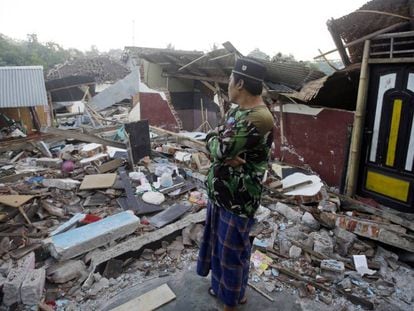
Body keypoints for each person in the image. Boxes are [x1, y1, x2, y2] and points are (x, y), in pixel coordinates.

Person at [197, 57, 274, 311]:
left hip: (239, 198)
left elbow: (220, 146)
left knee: (232, 254)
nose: (227, 86)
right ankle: (225, 291)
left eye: (229, 81)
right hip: (222, 192)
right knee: (219, 248)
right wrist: (217, 144)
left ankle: (231, 302)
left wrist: (217, 145)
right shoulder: (236, 111)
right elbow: (217, 138)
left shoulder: (260, 117)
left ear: (240, 83)